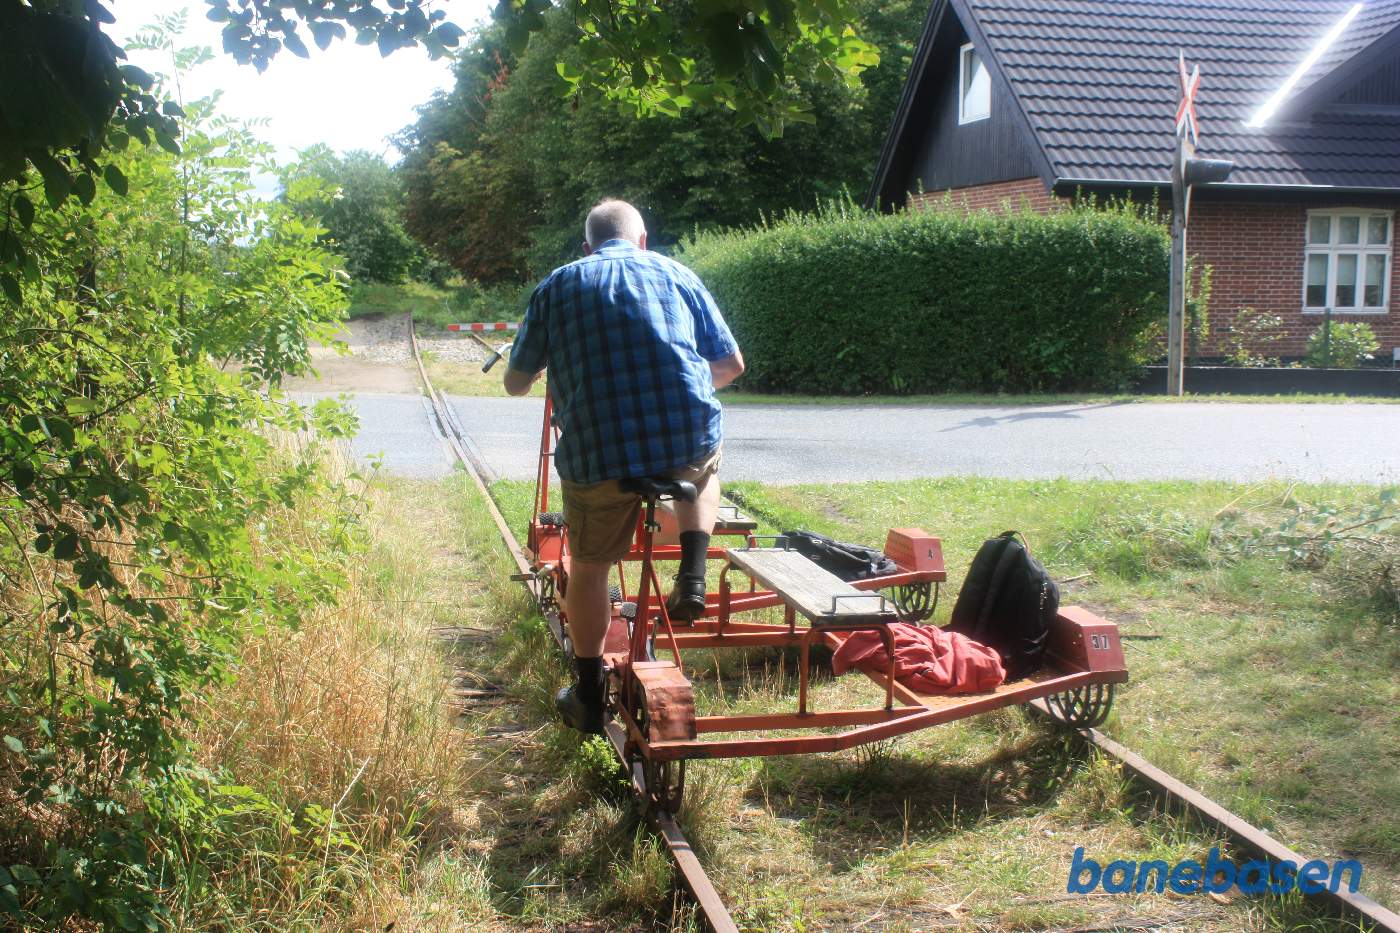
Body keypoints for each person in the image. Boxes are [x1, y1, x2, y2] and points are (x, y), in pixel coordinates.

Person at [503, 199, 744, 734]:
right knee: (703, 468)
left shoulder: (557, 285)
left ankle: (588, 693)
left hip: (599, 452)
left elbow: (515, 383)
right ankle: (693, 574)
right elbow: (730, 365)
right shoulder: (676, 273)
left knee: (590, 565)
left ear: (587, 247)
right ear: (643, 240)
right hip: (684, 437)